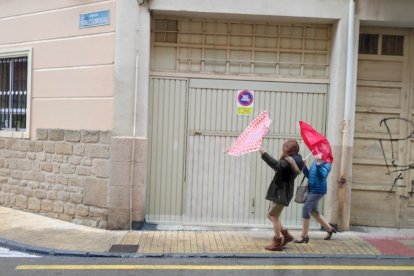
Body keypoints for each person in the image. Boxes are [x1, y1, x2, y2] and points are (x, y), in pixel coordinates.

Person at [259, 139, 304, 251]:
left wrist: (263, 153)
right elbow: (279, 167)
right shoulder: (295, 160)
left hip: (281, 193)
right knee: (271, 215)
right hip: (282, 192)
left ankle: (278, 242)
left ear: (288, 150)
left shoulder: (287, 162)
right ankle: (286, 235)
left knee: (273, 216)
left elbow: (276, 165)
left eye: (284, 148)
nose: (283, 149)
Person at [294, 151, 336, 243]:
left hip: (318, 190)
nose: (317, 152)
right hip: (311, 189)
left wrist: (318, 163)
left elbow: (322, 176)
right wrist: (304, 166)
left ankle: (304, 236)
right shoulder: (315, 161)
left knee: (306, 209)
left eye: (320, 151)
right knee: (313, 211)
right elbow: (309, 175)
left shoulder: (327, 163)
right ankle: (329, 229)